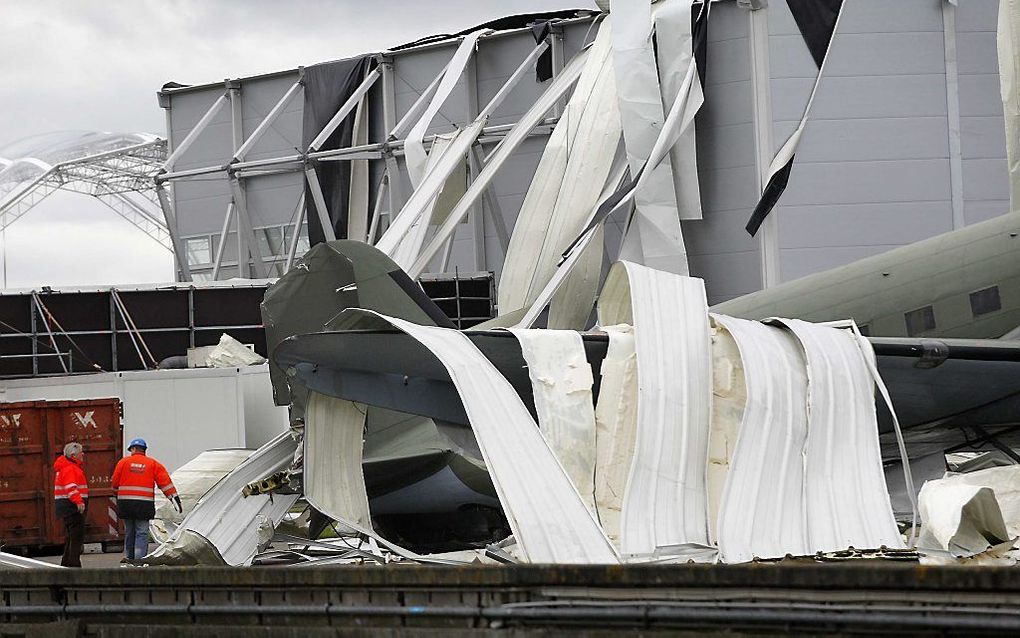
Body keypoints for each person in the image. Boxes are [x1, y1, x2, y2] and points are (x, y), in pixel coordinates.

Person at [111, 438, 181, 565]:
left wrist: (118, 493)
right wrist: (174, 498)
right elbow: (165, 483)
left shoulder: (123, 463)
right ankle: (139, 560)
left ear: (133, 449)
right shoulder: (153, 464)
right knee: (142, 533)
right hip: (144, 504)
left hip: (126, 504)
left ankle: (128, 558)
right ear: (144, 450)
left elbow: (115, 482)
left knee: (130, 531)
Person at [53, 441, 88, 568]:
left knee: (70, 537)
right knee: (76, 537)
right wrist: (79, 502)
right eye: (80, 453)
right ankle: (74, 564)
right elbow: (71, 487)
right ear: (73, 455)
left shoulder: (65, 467)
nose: (82, 454)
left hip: (66, 507)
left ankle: (67, 563)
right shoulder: (70, 468)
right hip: (72, 507)